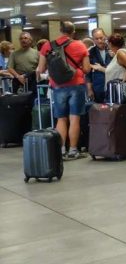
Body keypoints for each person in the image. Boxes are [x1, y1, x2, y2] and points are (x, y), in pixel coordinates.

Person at [36, 21, 92, 160]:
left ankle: (61, 149)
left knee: (61, 119)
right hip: (76, 84)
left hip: (57, 85)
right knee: (75, 118)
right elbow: (87, 69)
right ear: (73, 32)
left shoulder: (47, 45)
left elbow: (41, 69)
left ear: (60, 30)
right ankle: (73, 150)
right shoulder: (80, 45)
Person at [86, 28, 112, 102]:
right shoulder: (90, 53)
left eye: (101, 38)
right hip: (98, 88)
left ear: (105, 36)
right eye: (96, 39)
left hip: (112, 86)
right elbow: (88, 74)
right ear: (93, 40)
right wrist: (89, 90)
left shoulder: (112, 49)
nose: (99, 41)